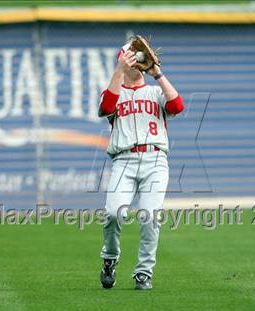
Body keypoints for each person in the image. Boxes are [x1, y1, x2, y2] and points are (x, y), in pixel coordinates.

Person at [98, 39, 184, 290]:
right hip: (123, 160)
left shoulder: (156, 92)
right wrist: (119, 69)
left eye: (138, 56)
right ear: (121, 61)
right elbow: (105, 108)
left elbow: (177, 106)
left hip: (155, 160)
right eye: (129, 57)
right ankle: (109, 259)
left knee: (149, 216)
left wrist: (157, 73)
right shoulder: (113, 93)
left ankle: (144, 272)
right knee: (114, 213)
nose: (135, 60)